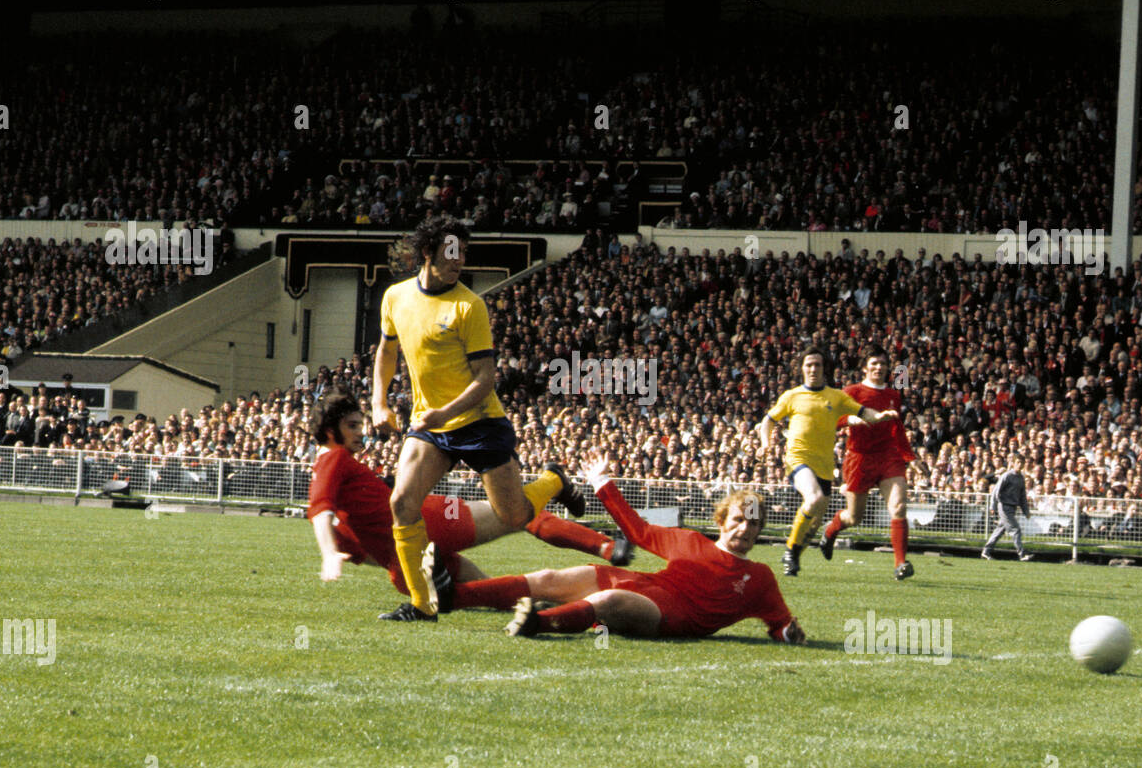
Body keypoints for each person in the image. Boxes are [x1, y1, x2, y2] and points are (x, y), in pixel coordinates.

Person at [372, 216, 586, 621]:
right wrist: (377, 403)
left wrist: (444, 412)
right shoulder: (395, 297)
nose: (459, 260)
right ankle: (423, 604)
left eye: (463, 253)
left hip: (478, 423)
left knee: (515, 516)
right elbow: (386, 351)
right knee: (401, 502)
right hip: (431, 427)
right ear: (427, 253)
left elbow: (486, 379)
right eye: (451, 252)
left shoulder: (469, 306)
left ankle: (554, 479)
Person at [308, 391, 632, 610]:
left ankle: (591, 530)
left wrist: (340, 553)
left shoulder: (331, 464)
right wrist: (330, 554)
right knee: (497, 575)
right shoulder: (333, 461)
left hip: (419, 542)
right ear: (328, 429)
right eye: (352, 426)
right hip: (425, 532)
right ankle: (568, 593)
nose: (360, 434)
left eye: (359, 425)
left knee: (512, 518)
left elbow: (330, 520)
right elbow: (320, 513)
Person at [458, 454, 805, 643]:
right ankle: (452, 596)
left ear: (760, 530)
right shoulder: (689, 541)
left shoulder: (759, 577)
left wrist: (789, 632)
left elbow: (780, 624)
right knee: (550, 577)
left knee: (609, 602)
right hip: (645, 585)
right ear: (721, 520)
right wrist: (602, 483)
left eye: (753, 524)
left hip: (669, 615)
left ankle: (538, 623)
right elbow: (637, 531)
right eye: (738, 519)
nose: (744, 528)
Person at [758, 346, 900, 576]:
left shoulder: (836, 396)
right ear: (802, 369)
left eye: (818, 365)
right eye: (809, 365)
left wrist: (881, 416)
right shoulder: (792, 396)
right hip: (798, 458)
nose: (813, 369)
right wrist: (765, 444)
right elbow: (768, 421)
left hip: (824, 466)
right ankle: (790, 551)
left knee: (815, 521)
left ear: (824, 369)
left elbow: (864, 413)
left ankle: (794, 558)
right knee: (813, 499)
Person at [820, 349, 918, 581]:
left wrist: (909, 456)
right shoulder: (852, 391)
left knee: (899, 507)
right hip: (860, 458)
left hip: (888, 456)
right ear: (865, 367)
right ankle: (830, 530)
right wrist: (851, 419)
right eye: (874, 363)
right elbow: (833, 417)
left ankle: (900, 564)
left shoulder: (894, 394)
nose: (878, 367)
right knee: (854, 517)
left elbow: (896, 425)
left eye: (883, 364)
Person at [981, 457, 1035, 561]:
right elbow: (996, 491)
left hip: (1013, 507)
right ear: (1014, 463)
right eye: (1018, 462)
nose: (1020, 464)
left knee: (1000, 530)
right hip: (1004, 506)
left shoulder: (1021, 478)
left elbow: (1022, 496)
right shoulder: (1007, 476)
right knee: (1015, 529)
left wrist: (1026, 511)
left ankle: (986, 551)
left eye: (1022, 462)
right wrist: (993, 506)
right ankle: (1022, 554)